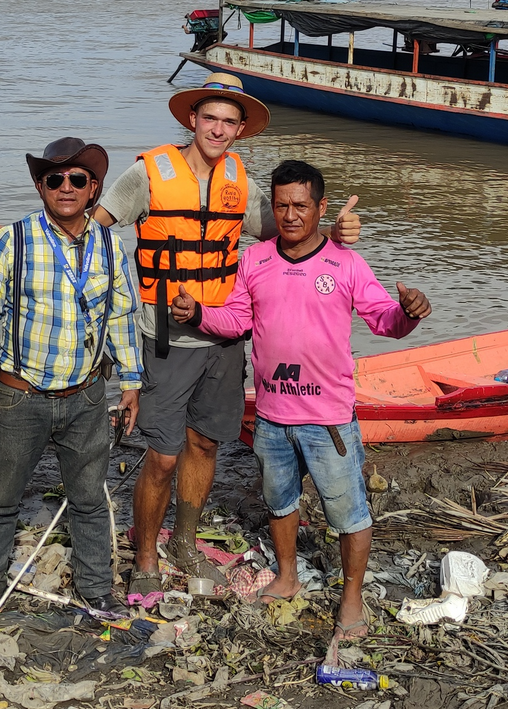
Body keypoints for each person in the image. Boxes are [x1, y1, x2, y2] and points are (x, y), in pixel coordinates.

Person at [0, 74, 361, 597]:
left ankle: (183, 541)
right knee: (161, 454)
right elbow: (87, 219)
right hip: (163, 334)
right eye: (210, 118)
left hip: (224, 333)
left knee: (205, 442)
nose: (218, 129)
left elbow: (290, 231)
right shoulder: (148, 173)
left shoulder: (242, 183)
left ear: (241, 129)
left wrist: (336, 236)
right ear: (191, 120)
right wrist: (10, 235)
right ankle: (144, 557)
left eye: (229, 121)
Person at [170, 159, 431, 663]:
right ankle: (287, 575)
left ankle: (351, 599)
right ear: (272, 206)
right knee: (280, 502)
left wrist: (409, 312)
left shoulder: (347, 264)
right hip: (271, 416)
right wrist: (199, 313)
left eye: (301, 206)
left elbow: (384, 320)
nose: (290, 215)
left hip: (329, 419)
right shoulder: (256, 260)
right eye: (282, 205)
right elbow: (237, 319)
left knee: (348, 512)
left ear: (321, 208)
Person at [0, 137, 144, 627]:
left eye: (78, 179)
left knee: (89, 499)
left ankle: (96, 592)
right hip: (19, 397)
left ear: (94, 189)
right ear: (40, 186)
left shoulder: (110, 243)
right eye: (55, 179)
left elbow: (123, 314)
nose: (66, 187)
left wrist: (131, 382)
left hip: (86, 396)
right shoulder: (11, 240)